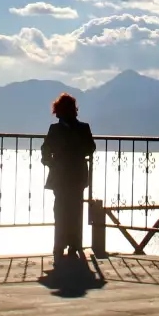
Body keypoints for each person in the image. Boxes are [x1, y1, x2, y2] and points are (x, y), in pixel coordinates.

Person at [40, 92, 96, 264]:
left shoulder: (55, 129)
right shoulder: (82, 127)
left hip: (64, 175)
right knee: (72, 210)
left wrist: (51, 162)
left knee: (62, 210)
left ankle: (63, 245)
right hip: (75, 174)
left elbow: (45, 150)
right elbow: (90, 147)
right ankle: (72, 244)